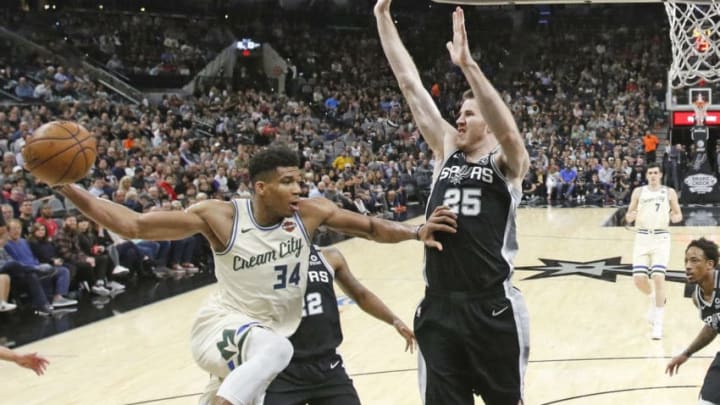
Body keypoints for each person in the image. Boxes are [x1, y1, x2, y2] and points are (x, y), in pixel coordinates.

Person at [56, 144, 453, 405]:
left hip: (266, 337)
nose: (299, 188)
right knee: (277, 351)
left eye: (300, 180)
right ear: (261, 188)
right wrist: (69, 188)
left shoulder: (309, 213)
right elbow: (135, 226)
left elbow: (369, 227)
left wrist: (415, 231)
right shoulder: (221, 216)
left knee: (271, 352)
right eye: (288, 181)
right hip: (226, 325)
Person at [375, 3, 530, 404]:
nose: (459, 120)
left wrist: (468, 65)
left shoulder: (505, 163)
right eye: (459, 113)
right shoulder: (447, 149)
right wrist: (381, 17)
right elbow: (410, 84)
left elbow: (510, 133)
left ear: (490, 125)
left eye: (470, 114)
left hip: (492, 307)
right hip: (439, 307)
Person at [262, 245, 415, 405]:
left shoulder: (329, 256)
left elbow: (361, 295)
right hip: (283, 371)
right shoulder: (261, 264)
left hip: (328, 367)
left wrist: (394, 320)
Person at [624, 162, 683, 340]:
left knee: (658, 277)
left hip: (661, 237)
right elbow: (628, 215)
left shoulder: (669, 192)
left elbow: (678, 214)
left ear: (661, 175)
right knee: (639, 280)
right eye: (650, 173)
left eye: (656, 172)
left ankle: (658, 324)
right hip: (642, 237)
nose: (653, 175)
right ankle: (654, 298)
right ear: (646, 175)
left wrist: (675, 217)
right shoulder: (639, 192)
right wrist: (630, 217)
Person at [666, 237, 720, 405]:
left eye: (694, 260)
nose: (688, 266)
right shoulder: (697, 298)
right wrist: (686, 353)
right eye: (686, 261)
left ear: (710, 264)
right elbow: (713, 326)